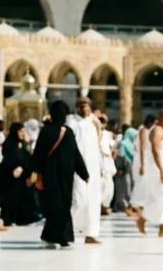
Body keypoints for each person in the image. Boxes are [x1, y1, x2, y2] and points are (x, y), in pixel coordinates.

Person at [34, 100, 89, 248]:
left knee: (54, 205)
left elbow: (38, 155)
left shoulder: (46, 131)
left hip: (49, 175)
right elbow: (76, 154)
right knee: (63, 205)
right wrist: (84, 173)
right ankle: (58, 236)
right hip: (66, 175)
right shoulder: (68, 132)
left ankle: (55, 236)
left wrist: (36, 175)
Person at [138, 109, 163, 237]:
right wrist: (161, 171)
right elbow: (155, 151)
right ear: (162, 118)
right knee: (162, 198)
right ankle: (143, 219)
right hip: (159, 170)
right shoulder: (157, 131)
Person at [70, 98, 104, 244]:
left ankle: (90, 234)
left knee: (93, 202)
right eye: (82, 106)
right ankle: (68, 227)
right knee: (78, 199)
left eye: (87, 106)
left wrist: (101, 165)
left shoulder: (93, 121)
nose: (85, 109)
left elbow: (97, 143)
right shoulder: (72, 123)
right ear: (77, 108)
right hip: (78, 168)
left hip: (93, 168)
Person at [0, 123, 39, 226]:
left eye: (23, 131)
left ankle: (24, 219)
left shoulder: (25, 143)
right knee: (10, 197)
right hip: (10, 175)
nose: (22, 134)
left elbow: (30, 155)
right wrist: (17, 150)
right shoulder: (8, 143)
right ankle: (9, 218)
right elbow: (8, 157)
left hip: (23, 174)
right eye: (20, 131)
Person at [129, 115, 156, 215]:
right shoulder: (144, 130)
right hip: (142, 159)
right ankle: (133, 205)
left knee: (144, 183)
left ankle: (138, 206)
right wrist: (142, 164)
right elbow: (142, 147)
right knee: (142, 182)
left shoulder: (142, 130)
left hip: (143, 159)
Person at [112, 127, 135, 213]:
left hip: (128, 168)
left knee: (128, 187)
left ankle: (127, 206)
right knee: (122, 188)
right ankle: (121, 206)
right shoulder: (123, 144)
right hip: (122, 169)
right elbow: (120, 155)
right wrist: (120, 167)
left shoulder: (131, 144)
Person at [99, 114, 117, 215]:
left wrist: (110, 156)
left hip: (107, 163)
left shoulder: (108, 134)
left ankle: (105, 206)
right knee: (100, 185)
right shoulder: (95, 133)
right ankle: (100, 206)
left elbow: (113, 147)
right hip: (99, 163)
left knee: (109, 187)